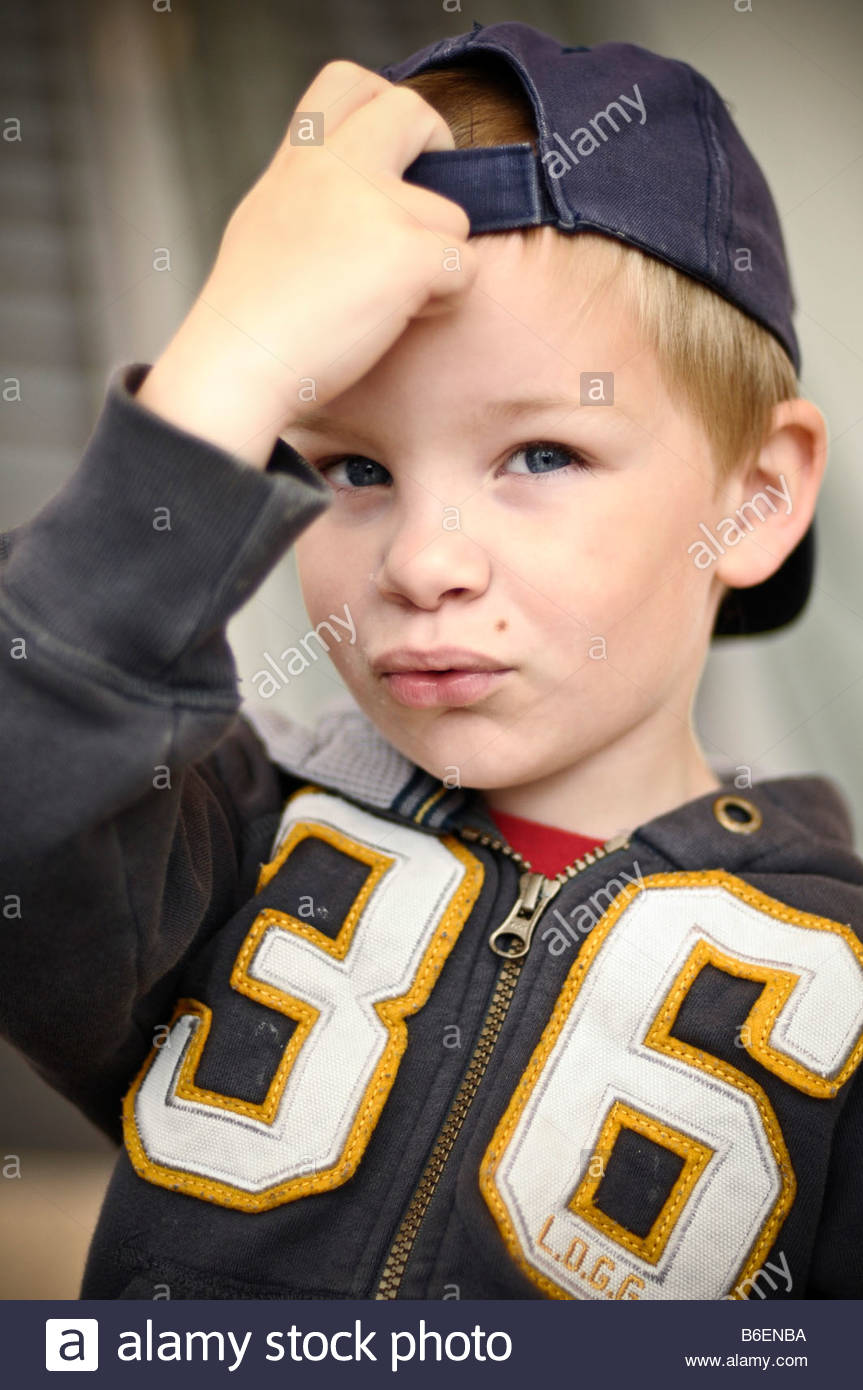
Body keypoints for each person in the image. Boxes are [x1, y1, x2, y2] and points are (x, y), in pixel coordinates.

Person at [1, 21, 861, 1301]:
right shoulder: (210, 846)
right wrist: (232, 361)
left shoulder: (837, 981)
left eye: (539, 457)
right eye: (353, 469)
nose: (420, 561)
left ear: (753, 493)